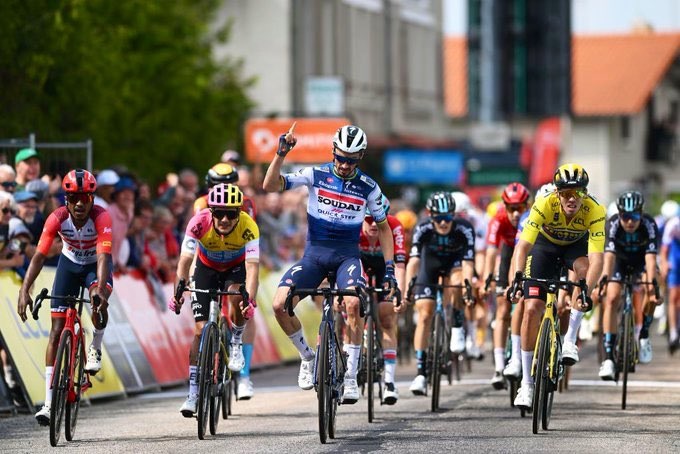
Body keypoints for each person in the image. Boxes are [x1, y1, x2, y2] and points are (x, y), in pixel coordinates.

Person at [262, 123, 396, 404]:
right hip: (315, 256)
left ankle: (350, 377)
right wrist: (281, 154)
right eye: (340, 157)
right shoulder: (316, 174)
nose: (344, 164)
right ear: (333, 151)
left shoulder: (369, 187)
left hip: (348, 257)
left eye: (351, 159)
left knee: (353, 304)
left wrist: (390, 269)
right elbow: (270, 185)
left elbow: (384, 229)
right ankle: (307, 357)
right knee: (279, 304)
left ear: (359, 158)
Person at [16, 169, 112, 425]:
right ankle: (49, 403)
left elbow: (103, 256)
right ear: (66, 200)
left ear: (92, 198)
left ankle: (95, 348)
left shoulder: (101, 217)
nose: (80, 203)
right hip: (68, 265)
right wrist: (25, 289)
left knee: (97, 299)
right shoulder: (57, 218)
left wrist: (100, 289)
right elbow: (38, 256)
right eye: (74, 198)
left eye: (85, 198)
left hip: (95, 266)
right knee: (57, 331)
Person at [509, 163, 605, 409]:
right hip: (545, 247)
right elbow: (523, 246)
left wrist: (587, 289)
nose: (572, 198)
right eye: (566, 193)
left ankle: (570, 339)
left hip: (575, 248)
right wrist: (518, 277)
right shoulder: (544, 203)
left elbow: (597, 259)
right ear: (557, 193)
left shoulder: (595, 210)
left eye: (578, 192)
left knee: (583, 275)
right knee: (531, 309)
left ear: (585, 193)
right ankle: (527, 385)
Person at [169, 183, 259, 417]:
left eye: (231, 214)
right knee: (199, 332)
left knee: (237, 295)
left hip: (235, 269)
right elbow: (184, 262)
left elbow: (253, 268)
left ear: (239, 213)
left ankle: (236, 341)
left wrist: (250, 298)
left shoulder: (249, 226)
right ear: (211, 212)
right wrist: (178, 292)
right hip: (205, 268)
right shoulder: (198, 222)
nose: (225, 219)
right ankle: (193, 393)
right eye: (219, 213)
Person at [193, 162, 258, 399]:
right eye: (218, 185)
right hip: (208, 256)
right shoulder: (201, 205)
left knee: (242, 307)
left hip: (238, 258)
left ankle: (244, 376)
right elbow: (196, 240)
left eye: (229, 185)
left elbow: (248, 238)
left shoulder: (246, 204)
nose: (223, 190)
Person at [406, 192, 475, 395]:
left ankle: (456, 327)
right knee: (425, 314)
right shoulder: (423, 227)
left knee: (457, 284)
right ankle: (420, 373)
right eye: (438, 218)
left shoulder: (464, 228)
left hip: (455, 263)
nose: (444, 223)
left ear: (454, 215)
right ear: (431, 215)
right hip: (431, 264)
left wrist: (467, 288)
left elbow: (468, 264)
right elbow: (414, 261)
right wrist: (408, 288)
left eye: (448, 218)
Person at [598, 191, 660, 379]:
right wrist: (604, 278)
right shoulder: (613, 224)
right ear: (620, 214)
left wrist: (653, 284)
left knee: (650, 289)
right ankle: (608, 357)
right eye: (626, 216)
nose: (630, 222)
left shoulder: (649, 225)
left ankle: (644, 335)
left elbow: (650, 260)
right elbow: (608, 257)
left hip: (641, 261)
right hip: (619, 261)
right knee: (612, 298)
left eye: (634, 216)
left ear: (641, 214)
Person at [480, 182, 530, 389]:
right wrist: (486, 278)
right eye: (511, 208)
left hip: (527, 253)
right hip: (508, 254)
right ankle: (500, 367)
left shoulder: (531, 217)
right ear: (504, 207)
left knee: (526, 303)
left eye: (520, 208)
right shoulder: (498, 219)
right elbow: (491, 251)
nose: (516, 213)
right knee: (502, 310)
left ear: (527, 206)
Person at [358, 195, 406, 404]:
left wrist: (399, 292)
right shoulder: (352, 226)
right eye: (368, 219)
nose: (374, 224)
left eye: (379, 218)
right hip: (359, 262)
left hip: (384, 266)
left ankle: (389, 381)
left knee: (387, 316)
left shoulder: (394, 226)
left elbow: (401, 264)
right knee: (351, 303)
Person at [660, 206, 680, 353]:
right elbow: (664, 249)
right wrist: (665, 265)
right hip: (675, 258)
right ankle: (673, 332)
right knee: (673, 298)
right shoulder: (673, 224)